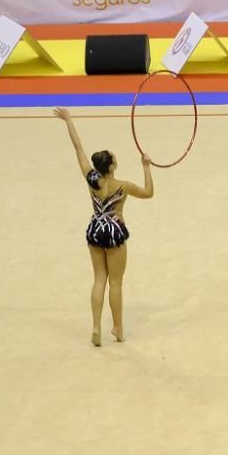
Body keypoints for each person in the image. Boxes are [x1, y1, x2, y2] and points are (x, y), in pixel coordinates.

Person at [53, 107, 155, 347]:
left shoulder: (91, 178)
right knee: (116, 282)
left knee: (99, 279)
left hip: (95, 229)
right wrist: (147, 166)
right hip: (114, 232)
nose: (116, 158)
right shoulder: (123, 186)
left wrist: (68, 120)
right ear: (110, 167)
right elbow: (149, 193)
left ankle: (96, 326)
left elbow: (78, 149)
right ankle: (118, 328)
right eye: (114, 157)